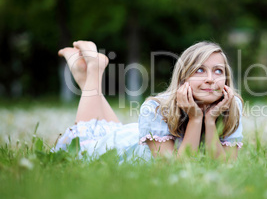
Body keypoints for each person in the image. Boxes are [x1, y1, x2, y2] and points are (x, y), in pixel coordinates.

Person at [54, 41, 243, 162]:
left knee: (109, 128)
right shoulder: (156, 108)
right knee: (86, 141)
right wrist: (195, 119)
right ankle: (94, 69)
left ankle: (82, 76)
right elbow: (176, 169)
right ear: (183, 78)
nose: (211, 79)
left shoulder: (231, 107)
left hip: (130, 137)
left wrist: (210, 121)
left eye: (218, 71)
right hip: (115, 149)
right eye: (200, 70)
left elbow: (224, 166)